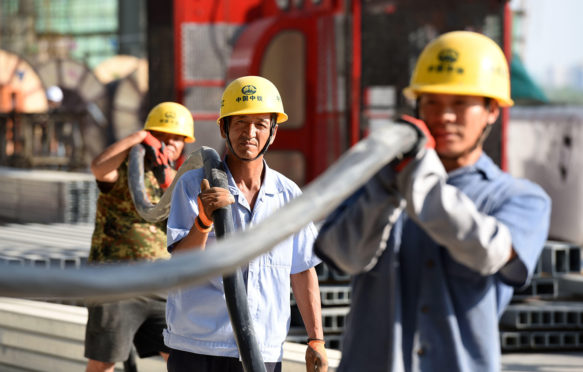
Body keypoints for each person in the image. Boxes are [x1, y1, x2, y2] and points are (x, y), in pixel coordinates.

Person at [314, 31, 551, 372]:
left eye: (460, 103)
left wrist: (418, 178)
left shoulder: (521, 199)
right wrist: (384, 186)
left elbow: (489, 252)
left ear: (492, 110)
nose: (445, 117)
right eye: (433, 102)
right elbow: (342, 255)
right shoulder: (378, 182)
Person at [164, 75, 328, 372]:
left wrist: (316, 339)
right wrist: (203, 221)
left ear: (273, 132)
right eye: (239, 122)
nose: (249, 133)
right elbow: (181, 266)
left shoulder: (289, 196)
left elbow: (303, 270)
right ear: (224, 128)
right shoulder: (193, 185)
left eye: (260, 124)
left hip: (261, 348)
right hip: (198, 347)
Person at [85, 102, 195, 372]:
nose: (169, 142)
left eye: (177, 138)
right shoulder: (124, 169)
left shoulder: (178, 180)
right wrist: (137, 137)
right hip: (115, 282)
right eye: (162, 135)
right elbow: (99, 168)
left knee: (180, 355)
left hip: (159, 284)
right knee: (104, 361)